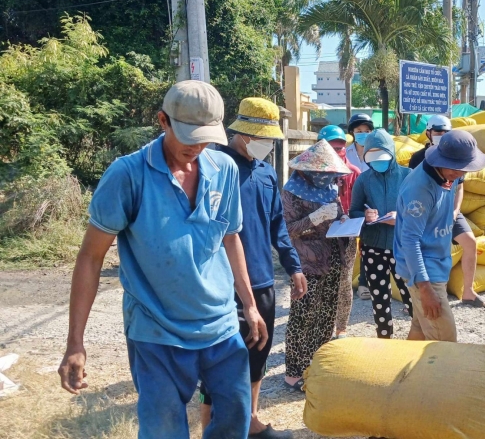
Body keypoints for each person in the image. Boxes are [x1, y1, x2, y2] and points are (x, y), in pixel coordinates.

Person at [58, 80, 268, 439]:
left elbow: (230, 237)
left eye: (205, 138)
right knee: (164, 430)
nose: (196, 147)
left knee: (235, 420)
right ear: (163, 121)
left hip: (220, 325)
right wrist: (75, 343)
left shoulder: (224, 169)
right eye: (188, 136)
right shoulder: (128, 175)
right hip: (156, 331)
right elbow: (90, 258)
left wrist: (248, 304)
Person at [197, 97, 306, 439]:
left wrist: (294, 266)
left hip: (262, 281)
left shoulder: (266, 173)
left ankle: (250, 421)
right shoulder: (213, 167)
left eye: (271, 140)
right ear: (243, 134)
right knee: (220, 360)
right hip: (222, 283)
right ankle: (210, 427)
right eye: (263, 138)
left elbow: (277, 225)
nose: (268, 145)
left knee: (257, 355)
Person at [395, 130, 485, 342]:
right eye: (456, 168)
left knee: (421, 329)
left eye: (464, 168)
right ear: (441, 160)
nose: (460, 173)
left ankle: (405, 365)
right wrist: (425, 288)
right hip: (424, 271)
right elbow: (410, 240)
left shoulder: (449, 174)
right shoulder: (419, 189)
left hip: (436, 263)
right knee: (444, 342)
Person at [281, 140, 353, 391]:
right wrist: (314, 218)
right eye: (323, 173)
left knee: (326, 314)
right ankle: (293, 372)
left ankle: (317, 363)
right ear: (308, 171)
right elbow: (287, 230)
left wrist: (343, 218)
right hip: (306, 262)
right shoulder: (291, 191)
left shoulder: (330, 188)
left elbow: (338, 212)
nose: (327, 178)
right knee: (303, 316)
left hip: (332, 257)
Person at [408, 115, 485, 309]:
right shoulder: (418, 158)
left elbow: (459, 187)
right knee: (421, 250)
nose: (441, 135)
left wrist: (455, 211)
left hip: (450, 209)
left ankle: (468, 292)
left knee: (470, 242)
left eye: (445, 132)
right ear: (428, 133)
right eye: (438, 131)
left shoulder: (458, 157)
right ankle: (415, 297)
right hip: (427, 212)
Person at [349, 129, 414, 338]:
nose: (378, 162)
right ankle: (384, 337)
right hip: (372, 248)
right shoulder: (363, 180)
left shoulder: (408, 176)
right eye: (372, 157)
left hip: (402, 247)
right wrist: (365, 216)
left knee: (411, 295)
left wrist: (401, 217)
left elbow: (419, 210)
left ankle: (420, 337)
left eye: (382, 156)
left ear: (391, 152)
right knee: (379, 298)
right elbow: (354, 211)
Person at [318, 125, 360, 339]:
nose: (337, 150)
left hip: (346, 235)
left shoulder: (354, 173)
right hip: (318, 236)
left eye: (341, 146)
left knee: (344, 282)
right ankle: (322, 326)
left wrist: (350, 217)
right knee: (321, 282)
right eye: (332, 146)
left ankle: (341, 327)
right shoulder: (310, 174)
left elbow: (361, 205)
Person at [345, 113, 375, 300]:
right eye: (359, 130)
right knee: (346, 245)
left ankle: (364, 282)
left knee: (367, 243)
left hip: (371, 203)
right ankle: (343, 284)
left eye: (367, 131)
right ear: (352, 132)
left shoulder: (376, 152)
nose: (363, 134)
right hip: (349, 203)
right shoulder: (345, 153)